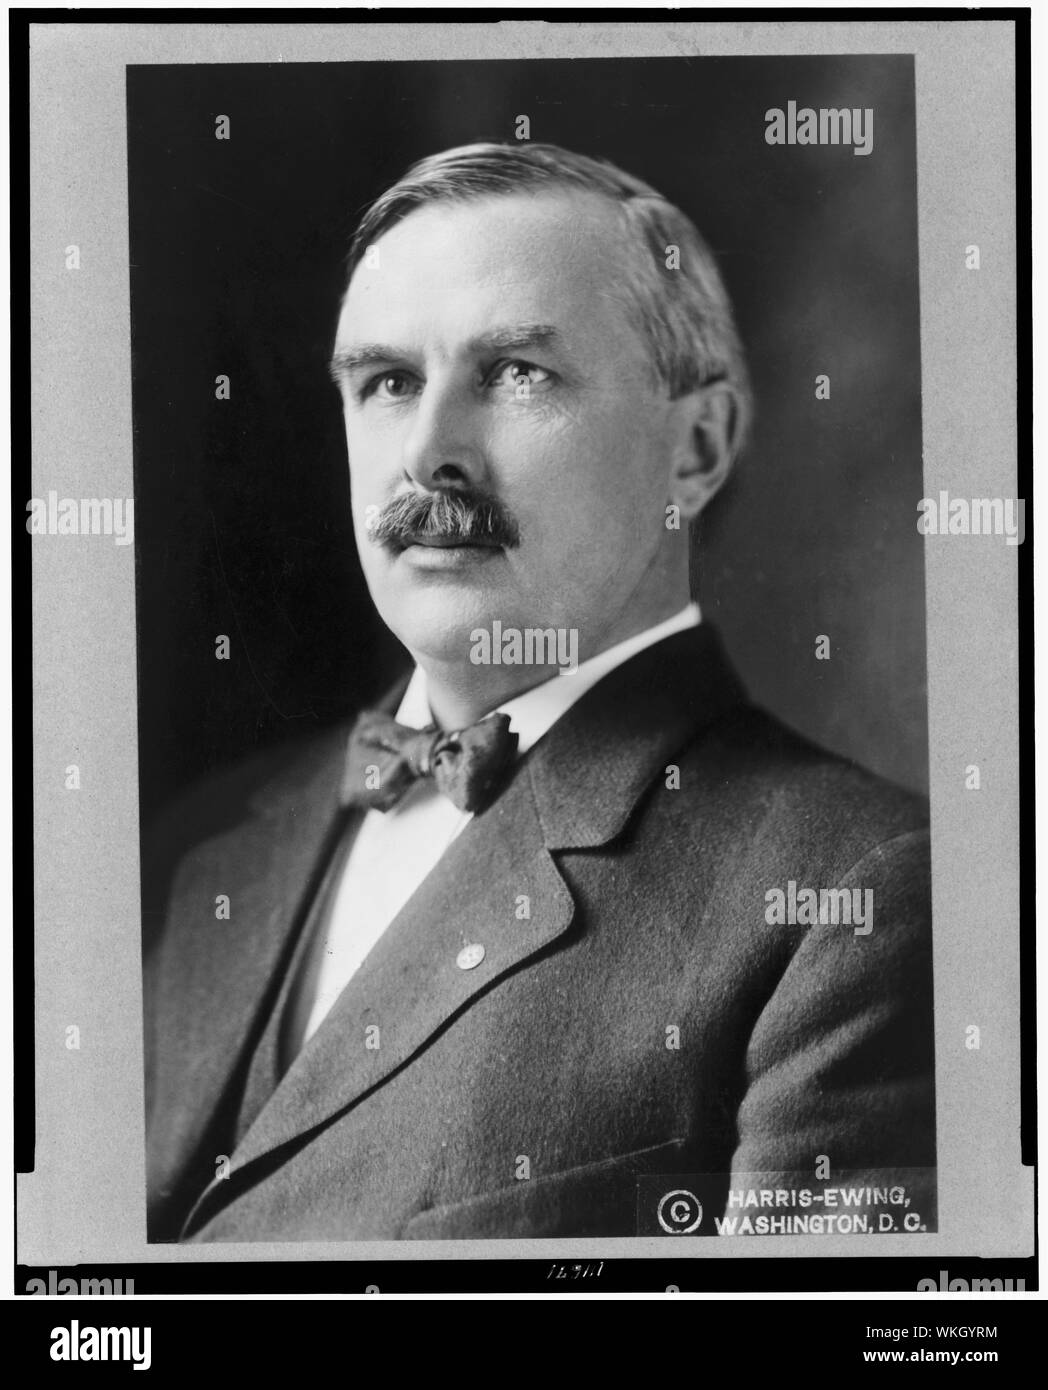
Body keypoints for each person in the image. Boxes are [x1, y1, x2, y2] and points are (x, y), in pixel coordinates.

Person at [143, 142, 934, 1242]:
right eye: (386, 382)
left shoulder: (861, 899)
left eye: (517, 373)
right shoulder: (194, 853)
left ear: (694, 449)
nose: (427, 454)